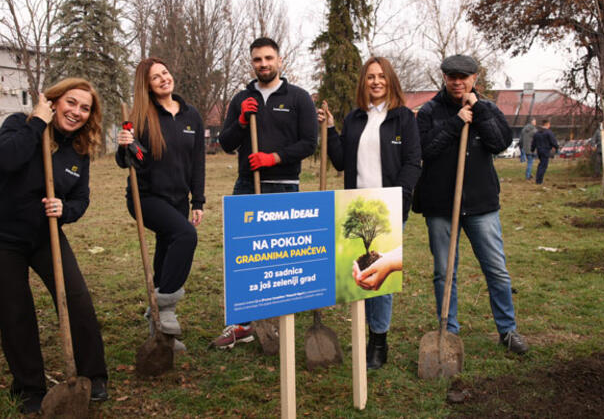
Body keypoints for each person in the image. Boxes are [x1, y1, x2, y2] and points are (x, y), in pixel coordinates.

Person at [0, 78, 108, 414]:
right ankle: (29, 387)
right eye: (71, 103)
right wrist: (37, 123)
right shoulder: (20, 125)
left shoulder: (78, 150)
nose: (76, 112)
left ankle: (94, 375)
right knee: (16, 311)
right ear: (55, 101)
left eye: (85, 108)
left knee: (76, 298)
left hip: (44, 236)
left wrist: (66, 209)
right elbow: (6, 158)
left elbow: (81, 199)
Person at [415, 54, 529, 355]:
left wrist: (478, 110)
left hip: (481, 205)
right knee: (444, 271)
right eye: (452, 76)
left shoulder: (487, 108)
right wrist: (455, 123)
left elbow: (500, 143)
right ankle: (448, 330)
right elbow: (425, 149)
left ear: (474, 79)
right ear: (444, 78)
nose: (458, 82)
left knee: (496, 269)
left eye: (464, 77)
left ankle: (507, 329)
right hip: (441, 205)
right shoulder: (429, 111)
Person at [211, 37, 318, 349]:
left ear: (280, 60)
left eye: (269, 58)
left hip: (284, 186)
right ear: (252, 63)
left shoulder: (298, 98)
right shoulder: (240, 99)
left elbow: (309, 142)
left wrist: (275, 158)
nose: (264, 64)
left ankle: (275, 319)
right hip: (248, 184)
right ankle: (243, 324)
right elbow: (227, 143)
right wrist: (242, 120)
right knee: (243, 256)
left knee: (279, 256)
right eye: (257, 59)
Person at [318, 56, 421, 369]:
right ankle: (361, 333)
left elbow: (413, 162)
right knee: (360, 275)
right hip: (357, 207)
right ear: (363, 82)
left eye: (381, 76)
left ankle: (379, 341)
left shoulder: (403, 118)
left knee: (383, 280)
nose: (376, 82)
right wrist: (332, 128)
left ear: (390, 80)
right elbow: (340, 161)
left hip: (388, 206)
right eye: (370, 77)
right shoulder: (355, 119)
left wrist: (399, 199)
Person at [116, 57, 205, 353]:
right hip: (147, 198)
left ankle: (160, 333)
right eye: (156, 78)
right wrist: (125, 144)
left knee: (167, 253)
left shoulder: (191, 115)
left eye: (165, 72)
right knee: (185, 236)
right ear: (148, 86)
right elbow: (130, 162)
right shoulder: (140, 118)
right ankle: (165, 307)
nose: (164, 79)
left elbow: (197, 163)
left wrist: (198, 200)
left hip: (179, 199)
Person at [531, 119, 559, 185]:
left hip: (539, 151)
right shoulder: (548, 132)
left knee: (541, 164)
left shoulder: (537, 133)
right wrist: (556, 147)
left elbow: (533, 142)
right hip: (546, 150)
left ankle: (538, 179)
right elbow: (553, 141)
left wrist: (532, 149)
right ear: (547, 124)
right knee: (543, 165)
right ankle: (539, 180)